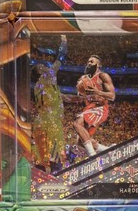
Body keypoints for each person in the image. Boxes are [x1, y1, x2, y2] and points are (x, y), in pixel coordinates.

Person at [32, 35, 68, 172]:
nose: (46, 67)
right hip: (50, 120)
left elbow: (57, 97)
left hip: (41, 120)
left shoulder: (39, 86)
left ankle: (42, 175)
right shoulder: (47, 76)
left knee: (42, 155)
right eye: (42, 67)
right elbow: (60, 60)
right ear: (40, 72)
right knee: (55, 155)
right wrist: (64, 43)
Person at [73, 55, 115, 157]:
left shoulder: (102, 76)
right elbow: (81, 96)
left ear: (98, 64)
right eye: (88, 62)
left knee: (77, 123)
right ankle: (109, 150)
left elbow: (112, 96)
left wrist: (98, 92)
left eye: (91, 62)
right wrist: (80, 91)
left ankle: (92, 155)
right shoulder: (84, 79)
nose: (89, 64)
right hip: (89, 108)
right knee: (80, 142)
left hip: (100, 107)